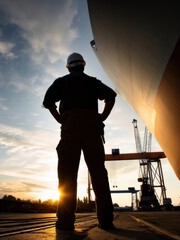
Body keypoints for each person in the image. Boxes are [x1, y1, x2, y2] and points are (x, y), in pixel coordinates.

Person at [43, 52, 117, 230]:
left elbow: (48, 102)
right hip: (92, 130)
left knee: (67, 176)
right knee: (99, 175)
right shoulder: (92, 82)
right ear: (83, 65)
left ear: (68, 67)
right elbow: (111, 96)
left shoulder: (61, 82)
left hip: (70, 131)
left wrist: (61, 119)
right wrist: (102, 117)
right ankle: (106, 221)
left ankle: (65, 222)